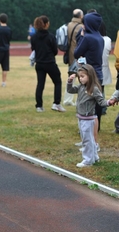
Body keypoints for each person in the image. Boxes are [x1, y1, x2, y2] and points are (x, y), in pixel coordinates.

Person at [67, 64, 117, 167]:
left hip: (88, 119)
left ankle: (88, 160)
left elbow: (101, 102)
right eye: (79, 77)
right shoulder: (81, 86)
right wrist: (70, 81)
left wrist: (109, 102)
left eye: (82, 76)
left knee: (87, 140)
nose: (80, 79)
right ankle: (94, 157)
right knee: (88, 139)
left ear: (90, 76)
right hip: (81, 117)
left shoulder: (94, 89)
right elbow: (70, 90)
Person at [74, 11, 104, 148]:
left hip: (89, 75)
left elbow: (76, 53)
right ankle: (92, 141)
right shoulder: (100, 38)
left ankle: (91, 142)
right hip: (99, 74)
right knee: (96, 111)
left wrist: (81, 38)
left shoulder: (87, 38)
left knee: (87, 111)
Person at [30, 15, 66, 112]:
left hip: (39, 63)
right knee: (57, 82)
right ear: (46, 24)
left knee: (40, 84)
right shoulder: (50, 36)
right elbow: (55, 50)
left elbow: (33, 49)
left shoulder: (34, 37)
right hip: (50, 62)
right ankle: (56, 103)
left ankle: (39, 106)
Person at [63, 9, 84, 106]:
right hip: (78, 55)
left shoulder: (68, 25)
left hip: (69, 54)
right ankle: (79, 100)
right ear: (80, 16)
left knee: (70, 77)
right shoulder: (81, 27)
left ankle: (67, 99)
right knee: (82, 77)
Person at [99, 23, 112, 115]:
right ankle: (103, 107)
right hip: (105, 66)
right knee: (102, 88)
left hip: (96, 66)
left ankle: (100, 107)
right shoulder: (108, 40)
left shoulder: (93, 38)